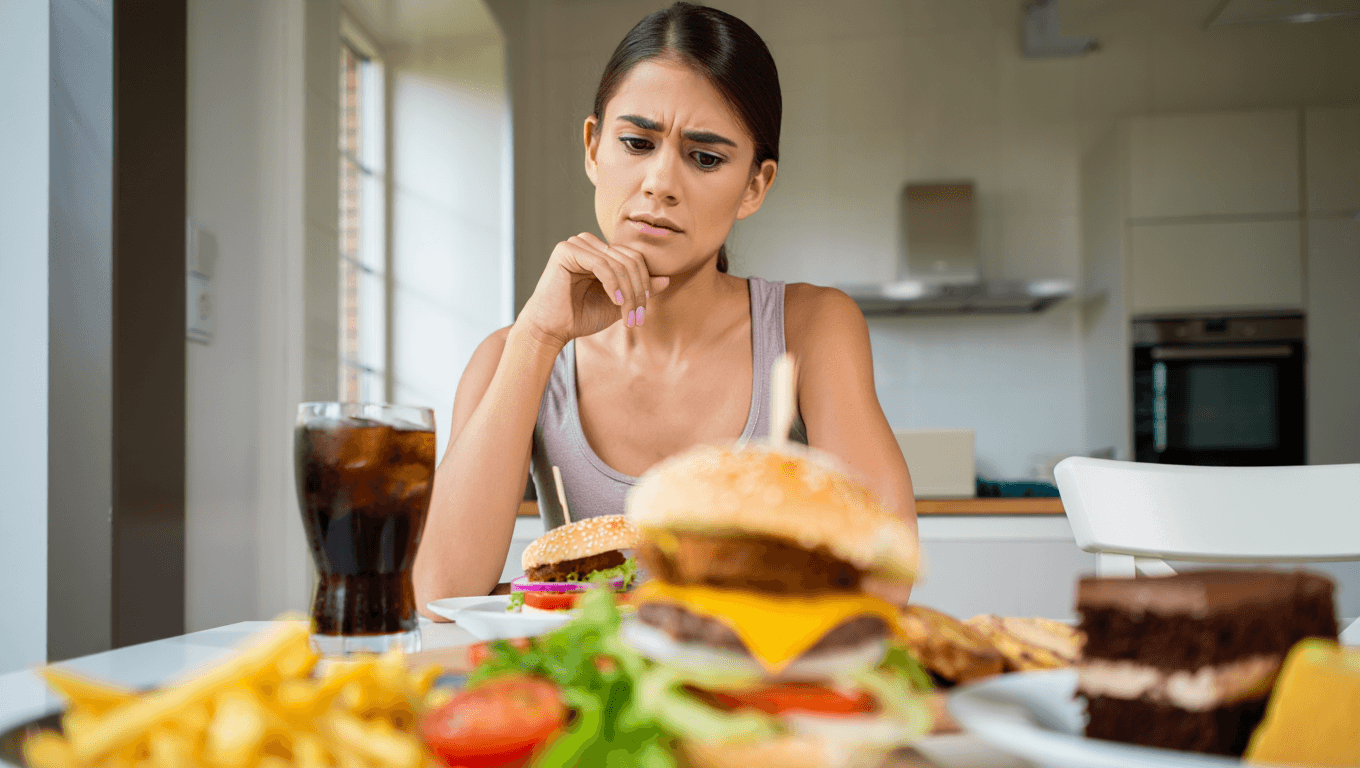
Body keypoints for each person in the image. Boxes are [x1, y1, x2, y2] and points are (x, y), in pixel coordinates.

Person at [414, 2, 916, 611]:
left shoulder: (812, 328)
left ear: (755, 185)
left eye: (705, 157)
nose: (660, 182)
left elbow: (886, 571)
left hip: (756, 693)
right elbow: (437, 592)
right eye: (636, 142)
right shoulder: (511, 353)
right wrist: (539, 335)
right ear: (594, 148)